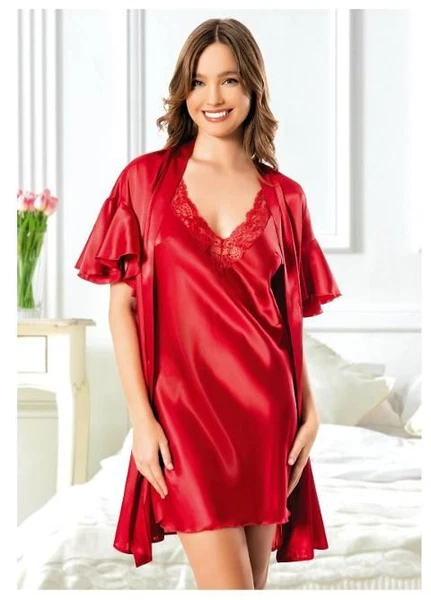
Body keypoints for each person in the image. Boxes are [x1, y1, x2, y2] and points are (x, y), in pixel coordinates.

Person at [74, 17, 342, 590]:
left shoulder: (286, 197)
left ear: (253, 88)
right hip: (184, 415)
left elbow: (288, 319)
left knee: (249, 587)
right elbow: (122, 308)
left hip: (266, 412)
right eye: (199, 82)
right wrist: (142, 419)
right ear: (184, 90)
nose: (213, 97)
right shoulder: (144, 181)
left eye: (229, 80)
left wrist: (310, 409)